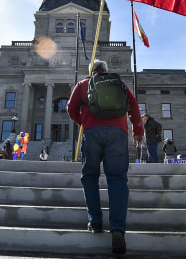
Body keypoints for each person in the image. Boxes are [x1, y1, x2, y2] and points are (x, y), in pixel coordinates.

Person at [67, 59, 143, 256]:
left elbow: (70, 108)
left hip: (92, 132)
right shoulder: (119, 84)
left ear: (91, 71)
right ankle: (117, 229)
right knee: (117, 179)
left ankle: (95, 221)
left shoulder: (83, 84)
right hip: (117, 133)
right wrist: (137, 131)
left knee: (90, 176)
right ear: (106, 71)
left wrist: (84, 122)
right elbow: (134, 106)